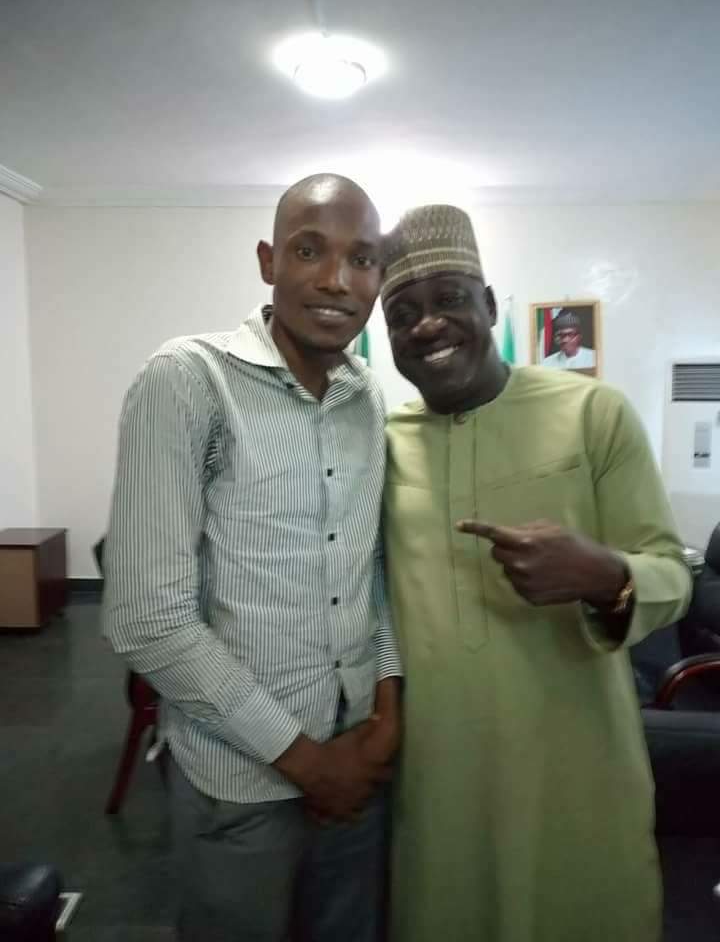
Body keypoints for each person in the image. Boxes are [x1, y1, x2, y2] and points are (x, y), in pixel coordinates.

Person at [101, 174, 402, 942]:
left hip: (359, 764)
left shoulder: (365, 396)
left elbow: (371, 568)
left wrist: (384, 722)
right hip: (240, 782)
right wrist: (307, 762)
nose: (336, 280)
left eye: (362, 259)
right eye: (310, 251)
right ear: (268, 261)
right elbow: (145, 618)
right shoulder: (187, 380)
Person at [379, 203, 692, 942]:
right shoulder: (381, 445)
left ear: (489, 305)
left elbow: (671, 574)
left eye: (450, 299)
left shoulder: (592, 413)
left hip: (577, 764)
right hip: (439, 776)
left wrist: (604, 575)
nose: (427, 325)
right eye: (402, 314)